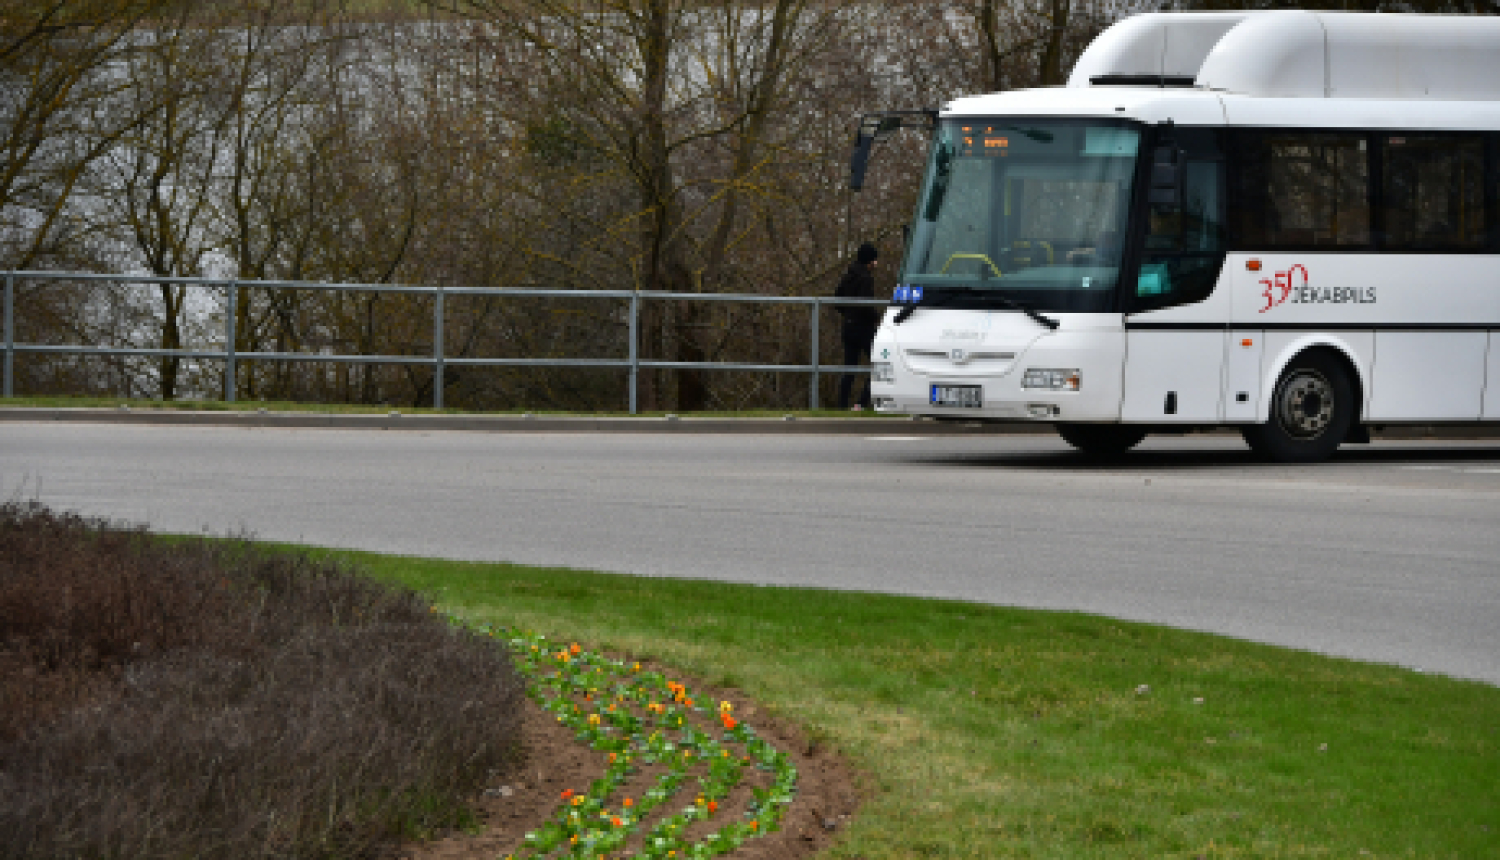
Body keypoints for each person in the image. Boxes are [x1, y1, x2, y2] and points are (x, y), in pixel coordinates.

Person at [835, 242, 880, 410]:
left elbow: (837, 298)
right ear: (869, 261)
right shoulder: (866, 278)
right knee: (878, 364)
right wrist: (877, 318)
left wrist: (847, 314)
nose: (876, 263)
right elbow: (866, 305)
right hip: (863, 328)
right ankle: (861, 403)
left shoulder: (849, 274)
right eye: (875, 260)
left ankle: (842, 405)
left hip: (848, 326)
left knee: (850, 368)